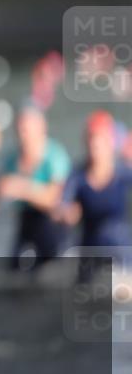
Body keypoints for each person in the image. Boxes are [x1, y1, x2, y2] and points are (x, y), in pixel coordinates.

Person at [0, 102, 71, 271]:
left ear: (41, 129)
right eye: (19, 131)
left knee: (51, 268)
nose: (22, 136)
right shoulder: (12, 160)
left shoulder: (55, 156)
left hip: (50, 222)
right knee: (16, 268)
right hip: (25, 221)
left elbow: (55, 199)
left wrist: (21, 188)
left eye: (26, 131)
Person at [56, 110, 132, 282]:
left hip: (120, 249)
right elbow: (62, 206)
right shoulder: (77, 176)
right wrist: (67, 214)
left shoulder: (123, 173)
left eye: (100, 139)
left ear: (111, 143)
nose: (95, 144)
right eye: (91, 138)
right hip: (89, 248)